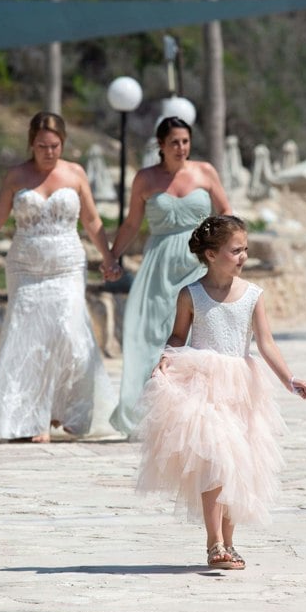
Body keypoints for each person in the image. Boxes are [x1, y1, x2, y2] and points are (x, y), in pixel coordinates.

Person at [133, 215, 306, 570]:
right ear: (211, 254)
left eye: (245, 250)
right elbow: (178, 336)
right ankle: (214, 541)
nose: (243, 256)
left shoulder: (252, 296)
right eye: (236, 250)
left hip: (241, 385)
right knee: (215, 459)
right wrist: (166, 359)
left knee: (237, 463)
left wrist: (289, 380)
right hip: (200, 383)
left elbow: (265, 344)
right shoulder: (191, 295)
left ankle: (229, 543)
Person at [0, 111, 122, 443]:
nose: (49, 152)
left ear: (63, 143)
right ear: (31, 143)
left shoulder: (75, 173)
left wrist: (109, 257)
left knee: (70, 335)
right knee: (26, 338)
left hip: (67, 266)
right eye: (42, 146)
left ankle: (71, 412)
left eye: (55, 146)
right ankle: (29, 420)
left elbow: (91, 221)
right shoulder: (16, 176)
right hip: (26, 268)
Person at [109, 116, 232, 439]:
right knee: (149, 337)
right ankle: (150, 414)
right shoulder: (145, 179)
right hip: (158, 267)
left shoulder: (205, 172)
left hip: (198, 263)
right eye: (174, 142)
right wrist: (112, 255)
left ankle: (192, 413)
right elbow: (132, 224)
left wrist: (233, 254)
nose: (181, 148)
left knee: (195, 338)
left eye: (185, 141)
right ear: (161, 145)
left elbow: (226, 214)